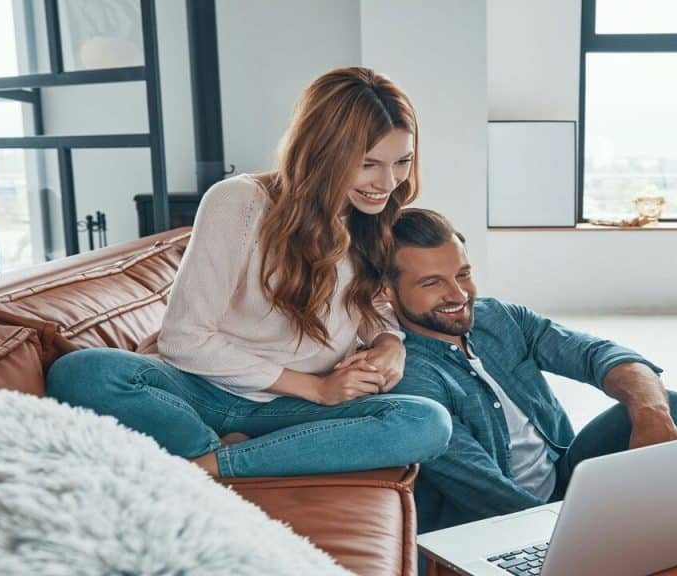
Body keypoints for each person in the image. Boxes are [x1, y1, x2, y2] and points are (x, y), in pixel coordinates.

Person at [46, 68, 452, 478]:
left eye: (402, 161)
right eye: (368, 164)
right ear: (323, 151)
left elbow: (369, 308)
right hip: (199, 390)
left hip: (292, 411)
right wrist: (317, 389)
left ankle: (214, 463)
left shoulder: (374, 219)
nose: (387, 182)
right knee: (83, 371)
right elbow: (184, 338)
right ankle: (239, 454)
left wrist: (388, 343)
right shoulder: (239, 201)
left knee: (427, 423)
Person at [372, 208, 677, 533]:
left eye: (463, 274)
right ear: (388, 291)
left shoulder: (498, 318)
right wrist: (579, 533)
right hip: (492, 521)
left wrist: (651, 412)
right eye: (433, 283)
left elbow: (597, 354)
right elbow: (485, 492)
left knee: (676, 410)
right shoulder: (408, 374)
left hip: (566, 480)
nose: (459, 294)